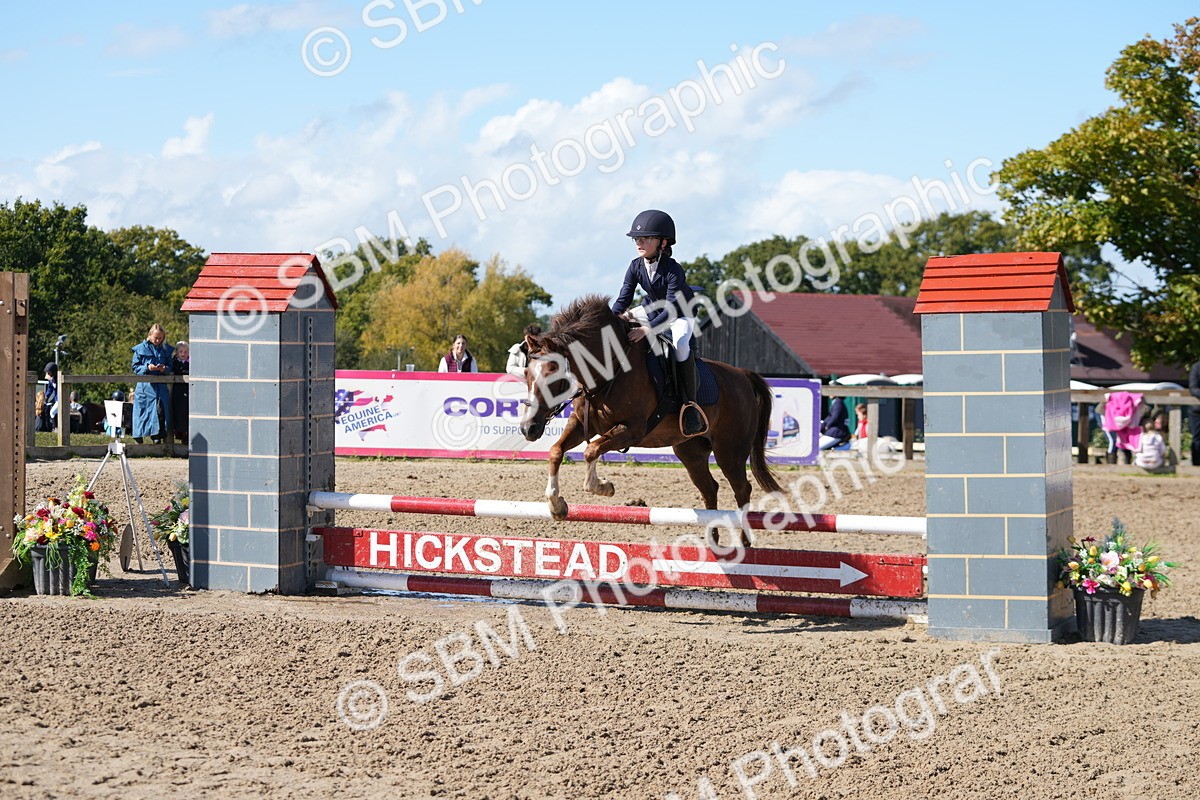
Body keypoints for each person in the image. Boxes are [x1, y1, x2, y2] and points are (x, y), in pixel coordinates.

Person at [610, 209, 706, 436]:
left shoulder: (673, 269)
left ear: (662, 243)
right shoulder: (635, 266)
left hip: (680, 313)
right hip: (651, 309)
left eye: (646, 238)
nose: (639, 242)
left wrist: (646, 329)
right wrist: (612, 320)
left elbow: (672, 308)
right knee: (622, 326)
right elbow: (623, 298)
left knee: (681, 346)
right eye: (637, 239)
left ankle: (690, 405)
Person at [131, 323, 173, 443]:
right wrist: (147, 367)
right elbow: (135, 367)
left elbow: (170, 365)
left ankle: (157, 436)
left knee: (160, 411)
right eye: (156, 338)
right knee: (142, 412)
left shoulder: (166, 350)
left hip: (160, 387)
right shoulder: (140, 349)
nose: (158, 340)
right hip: (145, 386)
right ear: (150, 335)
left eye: (160, 338)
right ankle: (138, 437)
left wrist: (164, 368)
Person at [171, 341, 190, 444]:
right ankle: (179, 432)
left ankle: (186, 434)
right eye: (181, 351)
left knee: (187, 411)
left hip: (188, 390)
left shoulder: (191, 362)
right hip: (177, 390)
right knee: (177, 411)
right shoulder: (173, 362)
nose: (183, 354)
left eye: (185, 351)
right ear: (177, 352)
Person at [40, 362, 59, 432]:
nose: (48, 374)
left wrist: (51, 380)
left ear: (54, 372)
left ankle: (56, 428)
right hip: (56, 399)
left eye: (49, 372)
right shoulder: (52, 379)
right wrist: (46, 397)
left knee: (52, 412)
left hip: (61, 399)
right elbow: (50, 389)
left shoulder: (57, 379)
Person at [1191, 359, 1200, 466]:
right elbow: (1193, 388)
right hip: (1197, 410)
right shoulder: (1196, 367)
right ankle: (1197, 464)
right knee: (1197, 439)